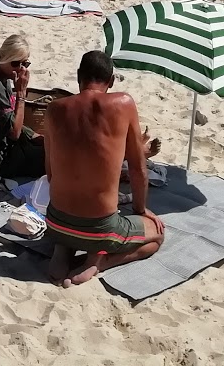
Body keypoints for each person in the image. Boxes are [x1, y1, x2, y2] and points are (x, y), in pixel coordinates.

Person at [43, 50, 166, 286]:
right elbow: (139, 168)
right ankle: (100, 261)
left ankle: (63, 249)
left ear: (79, 76)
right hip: (99, 229)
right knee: (157, 236)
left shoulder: (54, 109)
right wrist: (141, 209)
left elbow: (50, 173)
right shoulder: (123, 103)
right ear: (110, 81)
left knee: (70, 223)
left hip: (56, 221)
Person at [0, 34, 47, 180]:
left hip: (5, 149)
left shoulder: (2, 77)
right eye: (15, 64)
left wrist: (33, 135)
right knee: (55, 158)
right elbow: (14, 132)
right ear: (3, 58)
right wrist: (21, 95)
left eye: (25, 64)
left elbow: (10, 119)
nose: (20, 69)